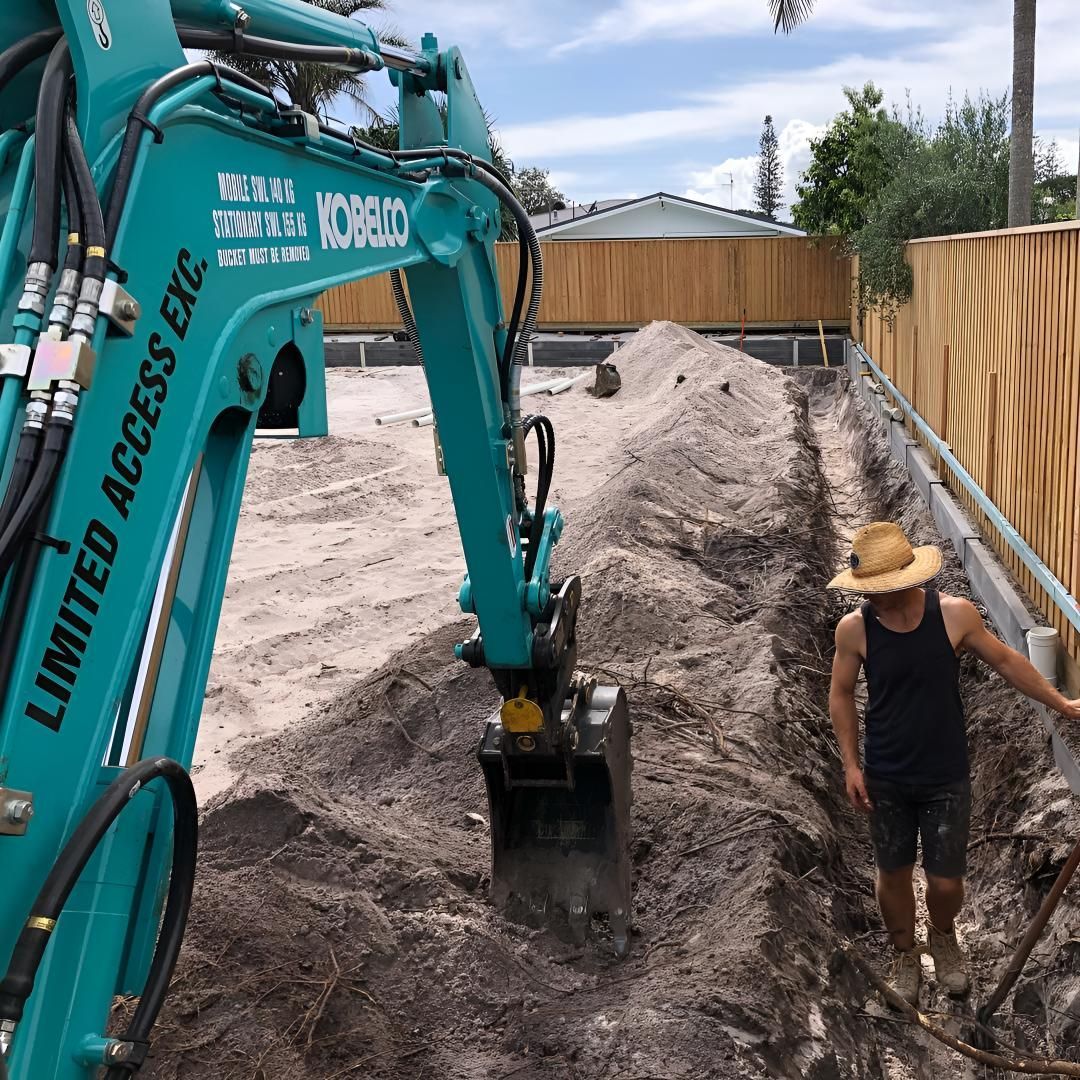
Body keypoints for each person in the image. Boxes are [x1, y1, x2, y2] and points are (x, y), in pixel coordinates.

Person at [827, 521, 1080, 1005]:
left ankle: (942, 935)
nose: (877, 598)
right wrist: (851, 765)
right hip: (887, 775)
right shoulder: (855, 629)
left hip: (945, 774)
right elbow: (840, 694)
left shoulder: (953, 616)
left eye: (885, 589)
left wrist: (1061, 703)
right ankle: (904, 952)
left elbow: (1007, 661)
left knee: (946, 881)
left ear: (908, 578)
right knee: (893, 873)